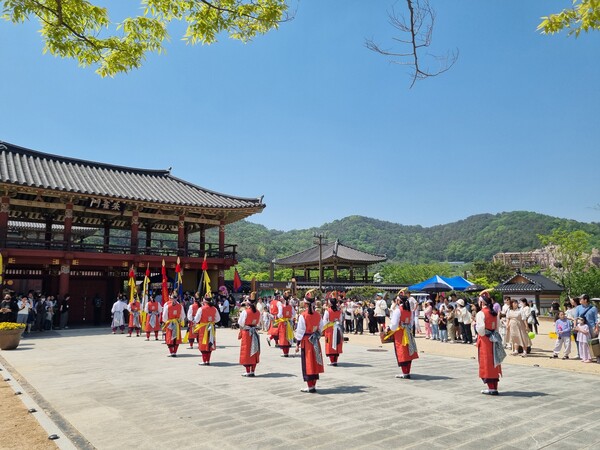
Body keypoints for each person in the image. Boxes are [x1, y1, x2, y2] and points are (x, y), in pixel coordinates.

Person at [475, 293, 505, 395]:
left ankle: (491, 388)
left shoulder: (481, 313)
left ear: (482, 302)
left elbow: (480, 329)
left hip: (485, 340)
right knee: (494, 361)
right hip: (494, 338)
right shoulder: (494, 313)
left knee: (486, 362)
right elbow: (497, 326)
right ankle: (494, 387)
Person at [294, 291, 324, 393]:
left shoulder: (303, 315)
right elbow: (321, 328)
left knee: (307, 362)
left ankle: (310, 386)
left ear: (306, 304)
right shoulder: (318, 315)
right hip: (315, 340)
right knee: (315, 362)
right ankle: (313, 384)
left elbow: (300, 331)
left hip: (306, 341)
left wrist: (297, 343)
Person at [388, 296, 418, 379]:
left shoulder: (398, 310)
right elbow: (411, 323)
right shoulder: (409, 310)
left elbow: (394, 325)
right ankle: (407, 371)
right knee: (409, 350)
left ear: (398, 301)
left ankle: (405, 372)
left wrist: (389, 328)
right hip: (408, 331)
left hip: (400, 332)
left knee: (401, 351)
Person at [238, 292, 261, 377]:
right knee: (254, 351)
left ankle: (248, 371)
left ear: (248, 303)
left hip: (247, 333)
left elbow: (241, 323)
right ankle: (253, 371)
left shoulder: (245, 312)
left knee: (247, 351)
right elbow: (258, 322)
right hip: (254, 331)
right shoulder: (258, 312)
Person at [194, 294, 220, 365]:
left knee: (203, 342)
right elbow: (218, 319)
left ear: (204, 300)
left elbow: (197, 319)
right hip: (211, 326)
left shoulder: (201, 309)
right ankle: (208, 360)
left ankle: (204, 360)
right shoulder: (214, 308)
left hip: (203, 327)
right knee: (210, 342)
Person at [322, 297, 344, 366]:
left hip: (330, 329)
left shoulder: (327, 311)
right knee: (337, 343)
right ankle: (335, 360)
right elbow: (340, 320)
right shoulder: (339, 311)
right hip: (337, 328)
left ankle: (332, 360)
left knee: (330, 343)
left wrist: (323, 329)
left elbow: (325, 321)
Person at [162, 293, 185, 357]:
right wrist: (179, 320)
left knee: (170, 337)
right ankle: (174, 351)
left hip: (170, 323)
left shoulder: (167, 306)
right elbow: (183, 316)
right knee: (175, 337)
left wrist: (167, 321)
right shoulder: (180, 306)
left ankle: (172, 352)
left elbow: (164, 317)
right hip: (176, 323)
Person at [275, 291, 295, 357]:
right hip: (288, 322)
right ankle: (287, 352)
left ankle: (285, 352)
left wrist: (277, 316)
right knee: (288, 336)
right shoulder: (290, 306)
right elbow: (293, 314)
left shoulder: (281, 306)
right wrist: (289, 318)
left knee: (283, 336)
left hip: (283, 322)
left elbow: (280, 315)